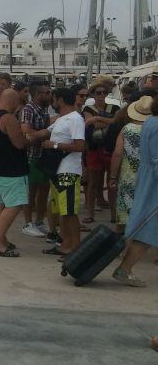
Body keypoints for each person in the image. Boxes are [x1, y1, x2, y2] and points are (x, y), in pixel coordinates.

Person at [33, 87, 87, 257]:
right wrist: (27, 134)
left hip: (68, 171)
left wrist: (54, 145)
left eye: (53, 98)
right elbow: (44, 132)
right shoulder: (62, 119)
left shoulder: (75, 119)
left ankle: (76, 247)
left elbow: (79, 146)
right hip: (58, 171)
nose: (51, 101)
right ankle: (65, 244)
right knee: (63, 210)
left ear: (61, 100)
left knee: (70, 211)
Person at [111, 93, 158, 287]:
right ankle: (125, 268)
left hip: (146, 176)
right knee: (147, 228)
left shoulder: (150, 123)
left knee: (145, 225)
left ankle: (125, 267)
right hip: (154, 181)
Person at [0, 89, 30, 257]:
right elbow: (19, 144)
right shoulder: (8, 118)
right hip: (11, 170)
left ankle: (1, 239)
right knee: (15, 204)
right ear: (13, 102)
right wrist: (30, 138)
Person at [111, 95, 150, 239]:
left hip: (128, 175)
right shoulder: (153, 129)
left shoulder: (127, 129)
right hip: (149, 175)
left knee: (126, 207)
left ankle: (124, 243)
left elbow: (118, 153)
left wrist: (113, 176)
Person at [82, 79, 117, 224]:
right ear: (93, 94)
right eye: (98, 93)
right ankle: (90, 213)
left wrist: (98, 119)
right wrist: (106, 121)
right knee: (92, 183)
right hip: (94, 149)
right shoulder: (88, 110)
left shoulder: (114, 107)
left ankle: (114, 215)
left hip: (109, 148)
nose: (102, 95)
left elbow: (116, 122)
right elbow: (90, 123)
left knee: (112, 182)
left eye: (104, 92)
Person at [20, 81, 52, 238]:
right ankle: (28, 222)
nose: (49, 95)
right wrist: (45, 133)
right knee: (30, 191)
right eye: (46, 92)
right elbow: (26, 131)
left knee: (44, 189)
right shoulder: (29, 109)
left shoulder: (44, 109)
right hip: (31, 155)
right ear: (38, 94)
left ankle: (39, 220)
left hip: (43, 155)